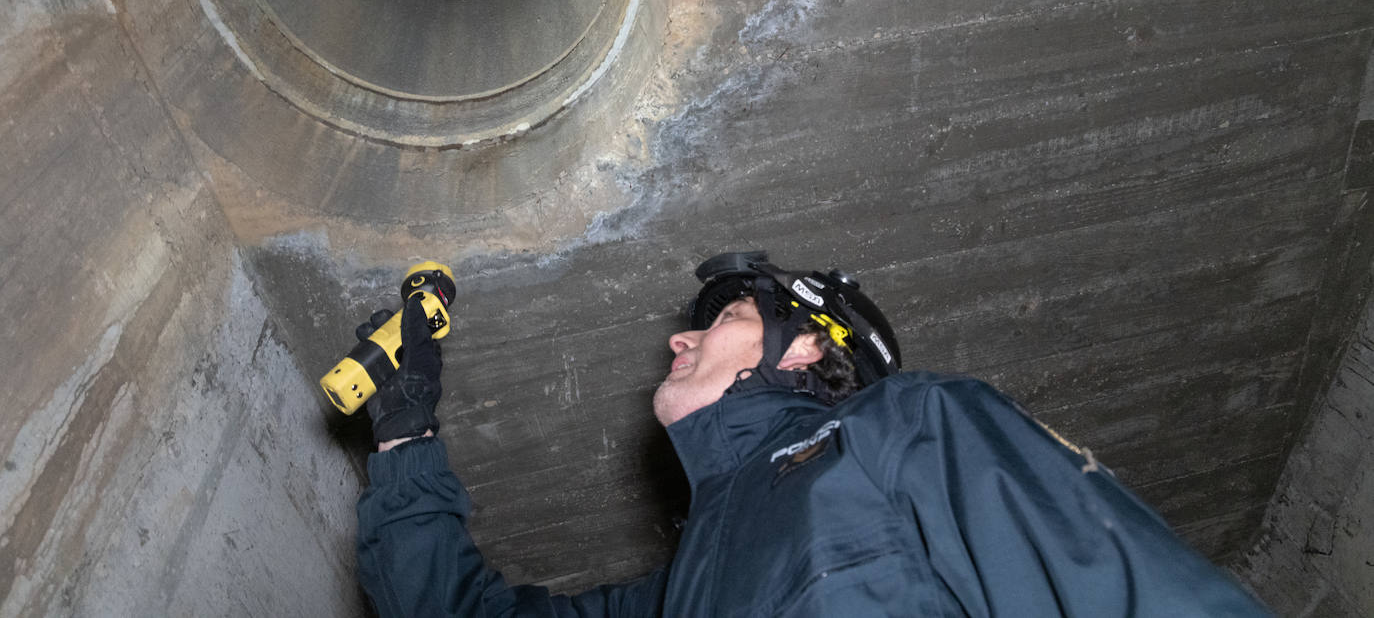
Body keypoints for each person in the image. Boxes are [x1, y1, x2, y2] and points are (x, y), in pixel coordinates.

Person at [354, 251, 1272, 617]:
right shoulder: (685, 592)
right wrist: (406, 436)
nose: (680, 337)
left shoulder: (911, 425)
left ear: (800, 356)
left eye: (725, 318)